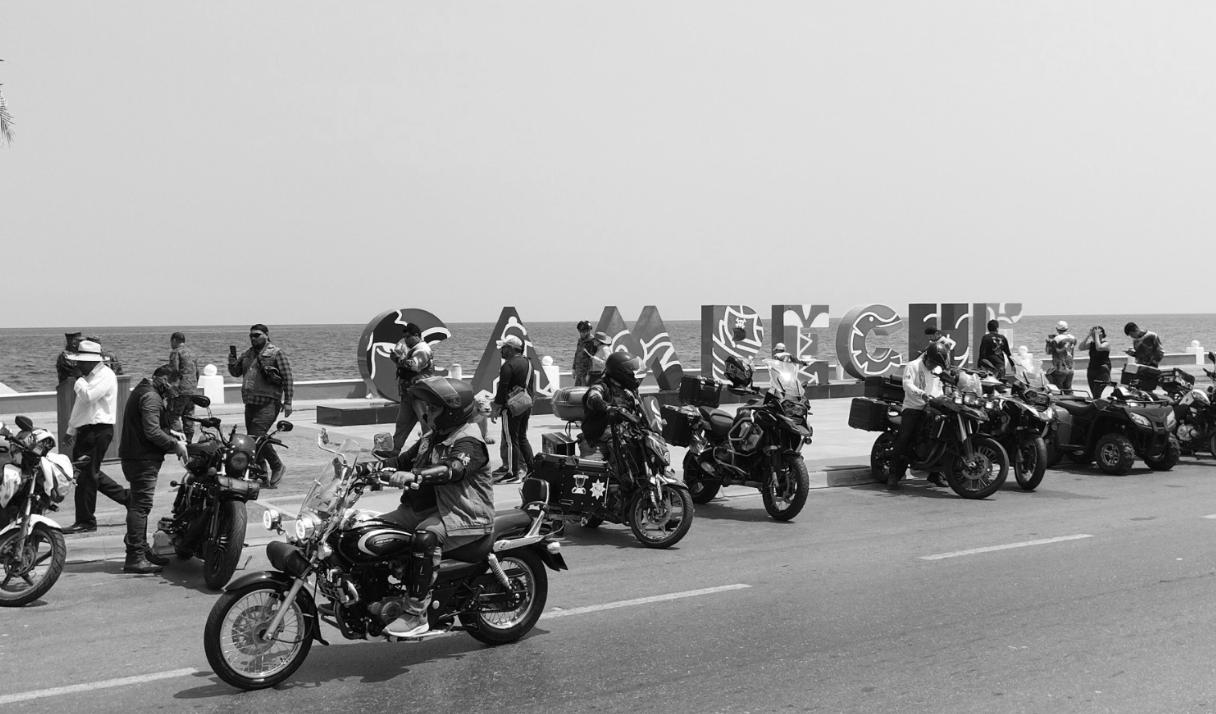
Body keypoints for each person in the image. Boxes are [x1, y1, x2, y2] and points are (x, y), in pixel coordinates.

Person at [373, 376, 494, 637]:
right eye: (428, 406)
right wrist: (368, 468)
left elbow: (454, 469)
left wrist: (416, 475)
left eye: (434, 408)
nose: (427, 412)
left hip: (462, 514)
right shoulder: (431, 437)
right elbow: (401, 461)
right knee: (372, 531)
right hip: (424, 509)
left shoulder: (469, 441)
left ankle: (416, 613)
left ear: (452, 411)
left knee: (425, 538)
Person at [117, 364, 189, 574]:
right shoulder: (151, 397)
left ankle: (140, 548)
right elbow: (152, 432)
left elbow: (149, 426)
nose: (174, 391)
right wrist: (175, 445)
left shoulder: (144, 391)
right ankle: (135, 557)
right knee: (141, 506)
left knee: (138, 504)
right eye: (173, 386)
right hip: (142, 459)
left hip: (136, 456)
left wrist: (172, 434)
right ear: (164, 379)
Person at [62, 339, 130, 534]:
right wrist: (71, 429)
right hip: (87, 430)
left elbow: (88, 397)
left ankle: (86, 521)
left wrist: (78, 379)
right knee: (89, 473)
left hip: (98, 431)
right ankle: (127, 498)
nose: (78, 365)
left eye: (81, 362)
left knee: (86, 476)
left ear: (92, 361)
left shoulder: (105, 375)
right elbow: (80, 406)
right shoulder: (89, 376)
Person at [228, 323, 293, 487]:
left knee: (257, 436)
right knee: (253, 441)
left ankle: (277, 466)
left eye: (257, 335)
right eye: (251, 335)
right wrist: (232, 360)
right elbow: (235, 372)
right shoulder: (247, 354)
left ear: (266, 335)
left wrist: (288, 402)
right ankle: (261, 473)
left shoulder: (276, 353)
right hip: (251, 403)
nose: (253, 338)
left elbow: (288, 377)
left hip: (269, 403)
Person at [889, 342, 950, 490]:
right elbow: (907, 384)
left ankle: (936, 474)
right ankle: (894, 475)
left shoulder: (937, 370)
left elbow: (939, 388)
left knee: (944, 435)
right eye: (932, 362)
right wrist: (921, 394)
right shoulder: (913, 366)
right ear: (927, 357)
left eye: (936, 364)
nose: (933, 366)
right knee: (905, 438)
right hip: (913, 407)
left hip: (932, 408)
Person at [580, 352, 645, 462]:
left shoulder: (630, 390)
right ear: (621, 373)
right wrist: (608, 408)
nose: (635, 376)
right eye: (631, 372)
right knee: (591, 468)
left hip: (625, 435)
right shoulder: (601, 386)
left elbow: (641, 409)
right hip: (599, 438)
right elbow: (593, 398)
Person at [490, 335, 534, 484]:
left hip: (511, 408)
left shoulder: (508, 366)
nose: (501, 350)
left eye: (504, 348)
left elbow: (502, 389)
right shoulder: (528, 362)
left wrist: (496, 408)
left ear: (511, 349)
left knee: (510, 440)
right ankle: (532, 469)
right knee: (522, 438)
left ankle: (513, 473)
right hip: (525, 404)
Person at [390, 322, 435, 451]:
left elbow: (414, 366)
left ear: (416, 335)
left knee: (427, 426)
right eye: (404, 337)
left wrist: (398, 359)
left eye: (408, 337)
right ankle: (394, 451)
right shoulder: (414, 350)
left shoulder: (422, 349)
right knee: (402, 424)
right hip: (409, 394)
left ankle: (428, 453)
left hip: (420, 395)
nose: (406, 340)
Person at [168, 331, 200, 443]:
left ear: (174, 340)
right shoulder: (192, 353)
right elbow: (197, 372)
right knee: (189, 416)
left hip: (180, 390)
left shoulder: (175, 352)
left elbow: (174, 370)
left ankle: (179, 439)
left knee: (173, 415)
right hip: (192, 390)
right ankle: (189, 440)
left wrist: (170, 388)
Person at [1078, 325, 1112, 398]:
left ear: (1102, 334)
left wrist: (1096, 335)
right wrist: (1088, 335)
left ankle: (1098, 404)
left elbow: (1099, 348)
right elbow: (1081, 347)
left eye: (1095, 333)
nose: (1094, 335)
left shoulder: (1106, 344)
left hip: (1103, 370)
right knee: (1094, 394)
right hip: (1092, 370)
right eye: (1093, 334)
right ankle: (1096, 404)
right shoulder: (1092, 344)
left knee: (1097, 393)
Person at [1044, 321, 1077, 391]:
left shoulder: (1056, 339)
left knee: (1058, 390)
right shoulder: (1073, 338)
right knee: (1068, 389)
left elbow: (1048, 352)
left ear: (1057, 329)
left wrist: (1048, 343)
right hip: (1070, 367)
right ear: (1067, 328)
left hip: (1059, 368)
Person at [572, 320, 596, 387]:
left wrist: (589, 373)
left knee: (585, 390)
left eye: (583, 332)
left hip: (586, 373)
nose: (581, 333)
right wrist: (573, 368)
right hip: (578, 372)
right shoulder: (580, 340)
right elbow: (577, 354)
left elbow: (592, 358)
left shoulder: (592, 342)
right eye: (580, 331)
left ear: (588, 331)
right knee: (577, 390)